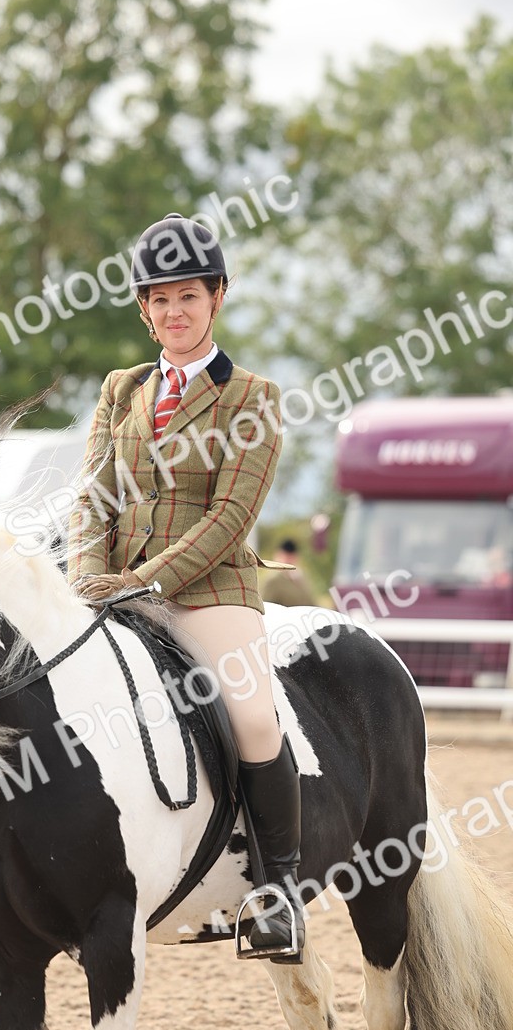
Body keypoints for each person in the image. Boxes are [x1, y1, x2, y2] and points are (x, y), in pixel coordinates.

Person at [66, 213, 304, 964]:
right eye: (159, 300)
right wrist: (83, 576)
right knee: (30, 683)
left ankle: (277, 893)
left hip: (210, 591)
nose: (174, 313)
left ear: (218, 299)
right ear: (143, 309)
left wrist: (141, 581)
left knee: (253, 717)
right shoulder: (120, 389)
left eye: (188, 298)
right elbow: (91, 495)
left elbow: (233, 516)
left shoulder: (253, 398)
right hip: (110, 584)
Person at [261, 538, 316, 607]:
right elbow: (266, 606)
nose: (289, 560)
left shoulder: (301, 578)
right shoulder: (273, 580)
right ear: (278, 556)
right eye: (286, 557)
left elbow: (311, 603)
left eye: (291, 557)